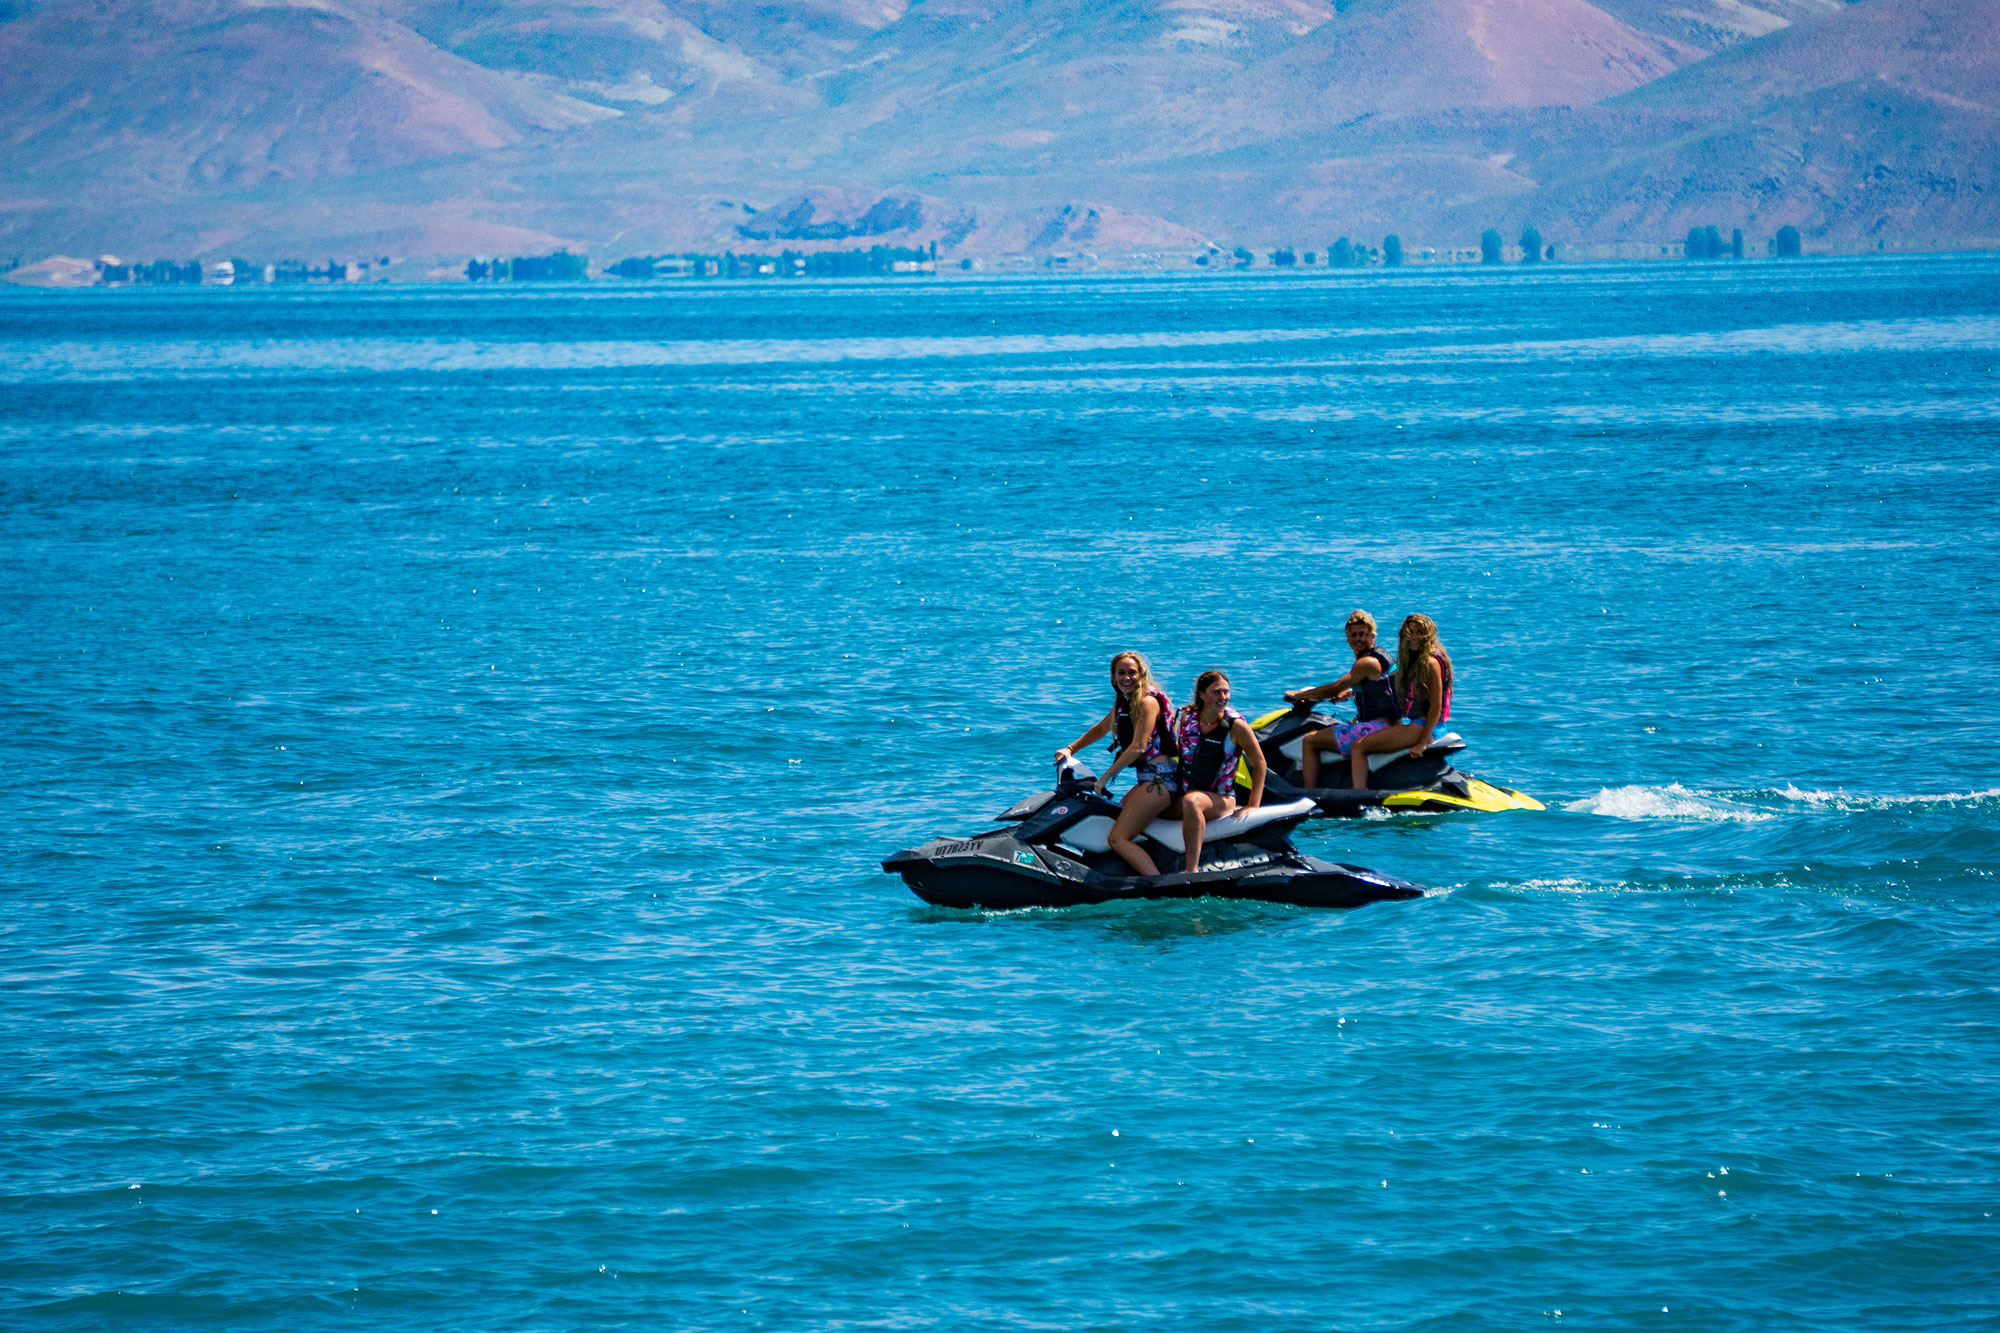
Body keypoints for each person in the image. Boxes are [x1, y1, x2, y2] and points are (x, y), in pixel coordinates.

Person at [1054, 651, 1178, 876]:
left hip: (1159, 782)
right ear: (1113, 677)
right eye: (1121, 673)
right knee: (1112, 820)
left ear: (1141, 675)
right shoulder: (1125, 703)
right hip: (1146, 781)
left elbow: (1139, 747)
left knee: (1117, 838)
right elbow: (1102, 728)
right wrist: (1070, 749)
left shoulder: (1149, 702)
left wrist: (1105, 777)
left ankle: (1157, 885)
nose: (1126, 677)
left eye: (1132, 673)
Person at [1282, 609, 1401, 787]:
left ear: (1372, 636)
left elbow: (1332, 689)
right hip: (1390, 724)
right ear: (1347, 638)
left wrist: (1299, 695)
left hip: (1378, 727)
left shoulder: (1365, 663)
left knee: (1310, 741)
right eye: (1353, 635)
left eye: (1363, 634)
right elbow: (1381, 686)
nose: (1358, 639)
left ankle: (1309, 795)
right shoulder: (1381, 656)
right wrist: (1351, 692)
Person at [1168, 670, 1266, 873]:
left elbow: (1260, 763)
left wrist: (1253, 805)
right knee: (1148, 802)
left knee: (1192, 801)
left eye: (1226, 692)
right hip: (1185, 791)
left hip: (1221, 799)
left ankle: (1191, 871)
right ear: (1202, 694)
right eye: (1217, 692)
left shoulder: (1235, 726)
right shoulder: (1187, 717)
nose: (1223, 697)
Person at [1347, 614, 1453, 791]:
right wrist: (1353, 691)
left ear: (1429, 634)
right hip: (1420, 725)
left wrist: (1423, 742)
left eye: (1419, 632)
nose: (1413, 637)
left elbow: (1436, 706)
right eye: (1410, 632)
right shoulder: (1416, 659)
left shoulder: (1430, 662)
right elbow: (1391, 684)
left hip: (1424, 727)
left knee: (1358, 747)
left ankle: (1358, 796)